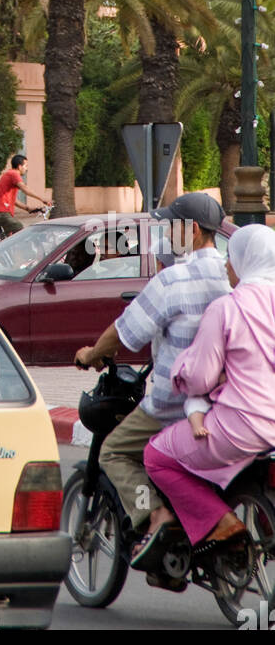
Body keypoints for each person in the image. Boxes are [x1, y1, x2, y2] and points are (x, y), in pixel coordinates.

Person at [74, 192, 230, 584]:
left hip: (172, 403)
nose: (165, 232)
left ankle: (156, 515)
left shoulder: (173, 279)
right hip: (224, 404)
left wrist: (92, 353)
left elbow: (125, 332)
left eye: (171, 226)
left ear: (192, 231)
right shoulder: (229, 276)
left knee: (114, 451)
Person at [141, 225, 275, 558]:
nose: (228, 266)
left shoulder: (226, 308)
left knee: (156, 456)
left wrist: (178, 371)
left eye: (232, 259)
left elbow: (200, 379)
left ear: (245, 260)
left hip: (241, 426)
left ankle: (220, 520)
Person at [0, 154, 50, 239]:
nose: (27, 169)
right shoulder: (14, 174)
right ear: (20, 166)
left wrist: (27, 208)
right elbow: (25, 189)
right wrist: (42, 199)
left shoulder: (8, 174)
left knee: (6, 240)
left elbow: (14, 200)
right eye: (26, 166)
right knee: (20, 230)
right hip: (2, 213)